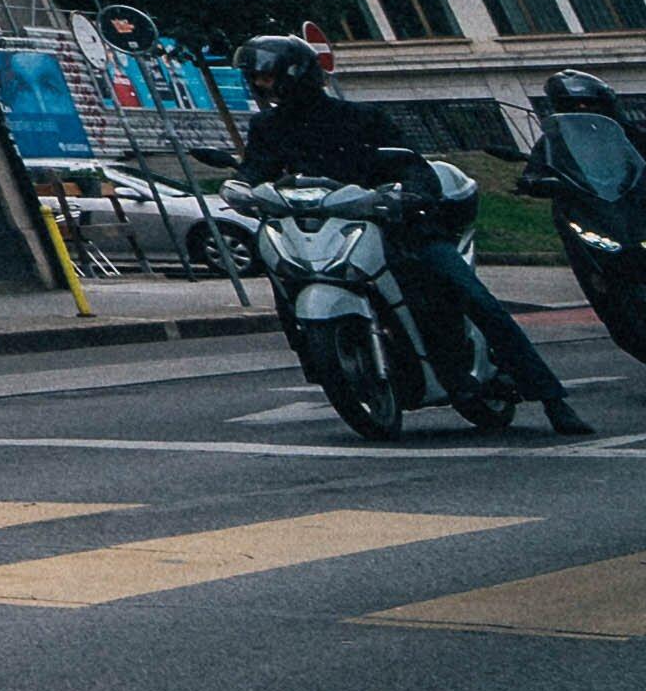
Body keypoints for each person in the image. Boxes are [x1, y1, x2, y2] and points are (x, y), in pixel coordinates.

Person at [237, 30, 592, 438]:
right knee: (285, 277)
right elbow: (256, 169)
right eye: (256, 78)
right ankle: (317, 355)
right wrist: (242, 187)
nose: (260, 84)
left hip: (397, 224)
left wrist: (410, 194)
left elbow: (410, 163)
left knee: (473, 296)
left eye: (265, 76)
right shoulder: (267, 126)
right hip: (324, 228)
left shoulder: (360, 118)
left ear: (295, 74)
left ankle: (552, 399)